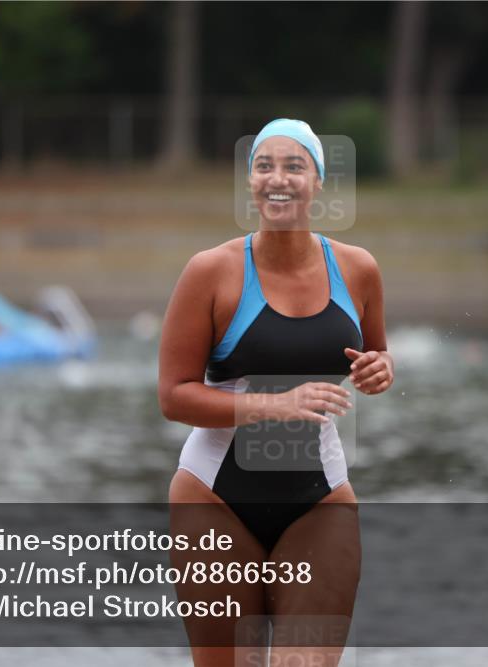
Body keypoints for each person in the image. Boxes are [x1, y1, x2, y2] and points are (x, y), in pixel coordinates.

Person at [158, 118, 393, 666]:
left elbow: (377, 356)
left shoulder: (358, 269)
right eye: (264, 166)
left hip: (320, 500)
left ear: (318, 183)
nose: (277, 178)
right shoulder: (211, 272)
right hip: (214, 498)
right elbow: (174, 397)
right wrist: (274, 404)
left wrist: (380, 371)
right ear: (249, 182)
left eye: (294, 165)